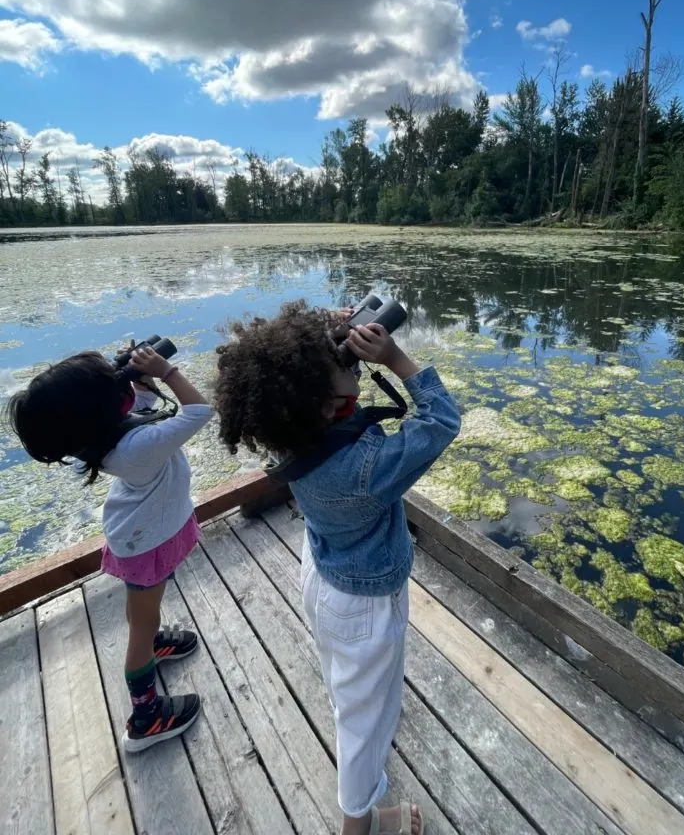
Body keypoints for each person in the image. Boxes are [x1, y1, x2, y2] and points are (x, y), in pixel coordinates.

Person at [215, 301, 461, 835]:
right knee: (364, 727)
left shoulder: (290, 428)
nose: (354, 369)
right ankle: (361, 825)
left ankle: (356, 742)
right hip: (365, 603)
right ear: (329, 405)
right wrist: (395, 357)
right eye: (346, 369)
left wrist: (331, 340)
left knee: (348, 693)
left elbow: (326, 396)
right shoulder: (365, 470)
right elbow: (443, 420)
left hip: (324, 577)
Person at [7, 344, 214, 753]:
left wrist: (138, 377)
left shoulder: (102, 434)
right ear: (104, 407)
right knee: (141, 623)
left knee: (145, 611)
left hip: (149, 533)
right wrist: (167, 371)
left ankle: (154, 641)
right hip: (147, 540)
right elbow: (200, 411)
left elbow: (144, 405)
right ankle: (147, 717)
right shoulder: (136, 447)